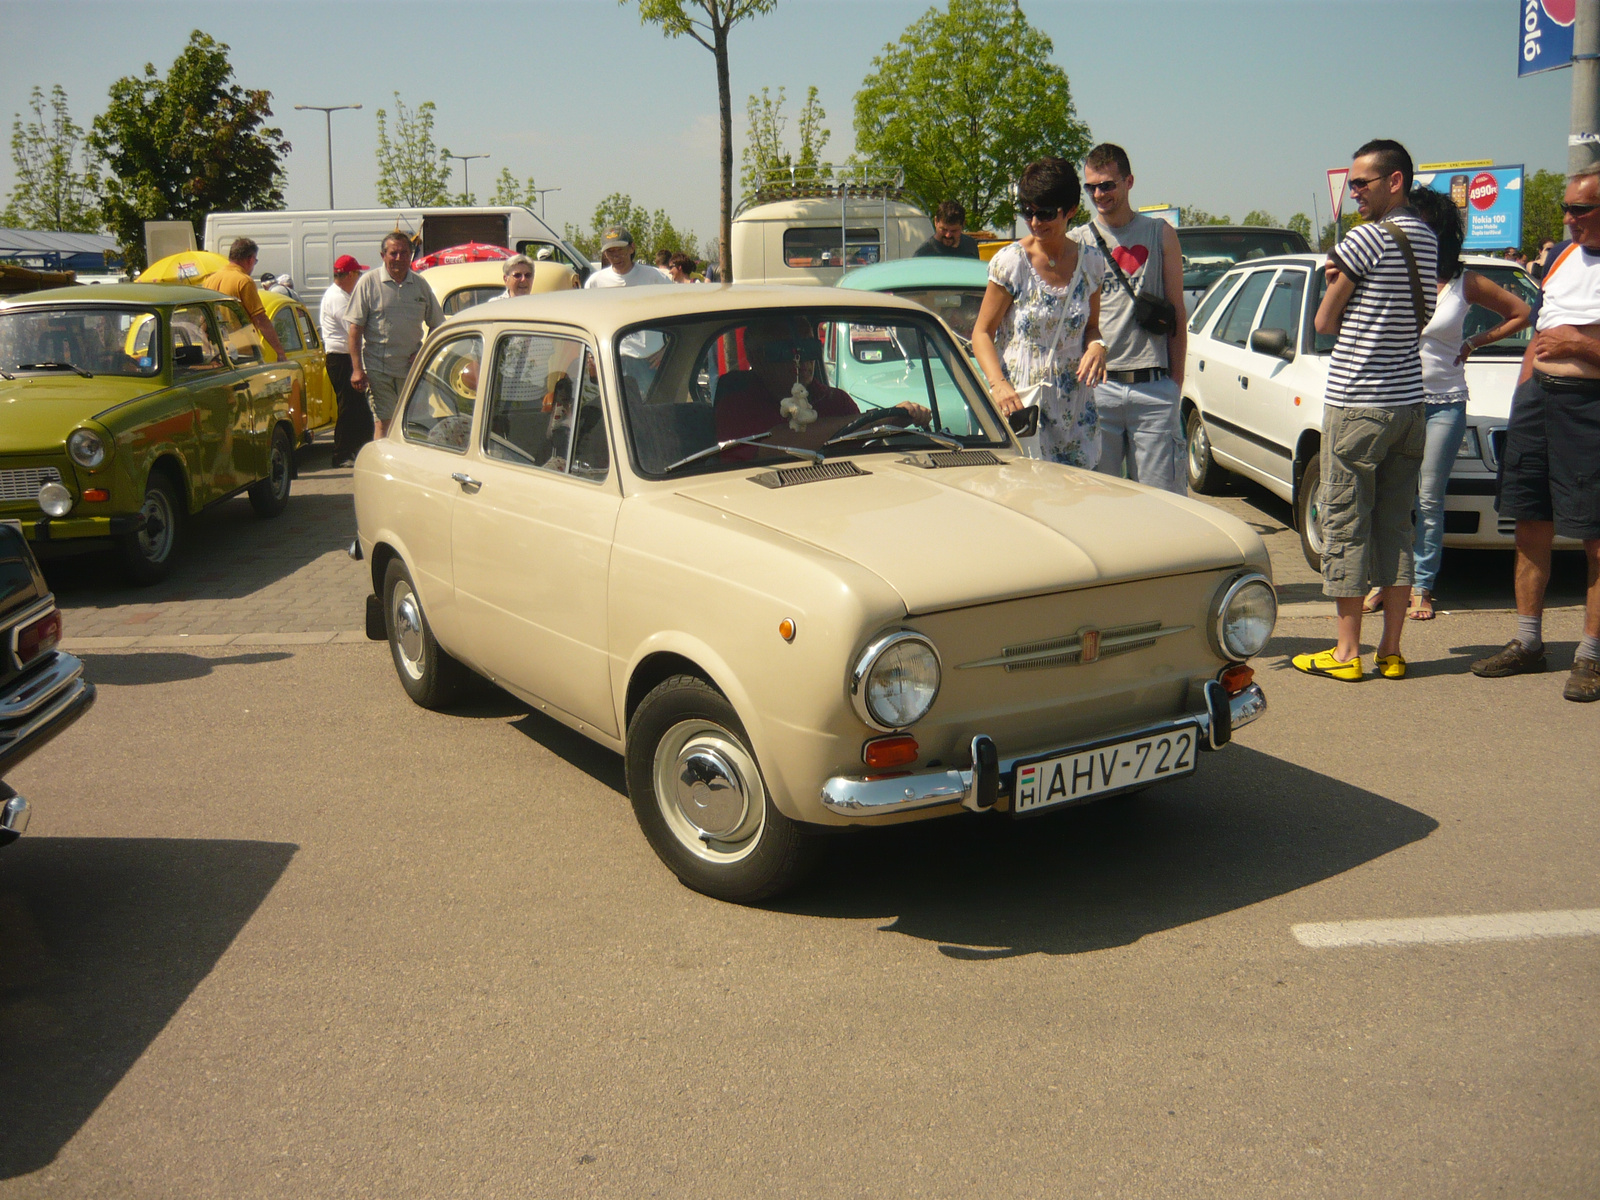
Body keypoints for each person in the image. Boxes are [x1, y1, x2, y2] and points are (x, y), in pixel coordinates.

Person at [1292, 138, 1438, 683]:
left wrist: (1336, 287)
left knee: (1346, 524)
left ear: (1395, 181)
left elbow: (1325, 324)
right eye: (1352, 184)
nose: (1354, 192)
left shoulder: (1365, 238)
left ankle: (1346, 653)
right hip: (1408, 404)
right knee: (1397, 526)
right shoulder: (1425, 237)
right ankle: (1392, 651)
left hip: (1359, 402)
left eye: (1363, 183)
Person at [1470, 167, 1600, 702]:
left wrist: (1580, 348)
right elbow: (1541, 330)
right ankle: (1528, 643)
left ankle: (1590, 656)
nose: (1569, 219)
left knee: (1596, 536)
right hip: (1538, 404)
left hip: (1590, 410)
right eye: (1567, 208)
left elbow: (1567, 340)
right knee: (1529, 522)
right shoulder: (1564, 257)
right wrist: (1525, 391)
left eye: (1581, 210)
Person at [1400, 187, 1532, 619]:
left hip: (1444, 403)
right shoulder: (1394, 275)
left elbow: (1520, 312)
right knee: (1393, 498)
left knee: (1428, 497)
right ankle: (1390, 584)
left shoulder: (1464, 281)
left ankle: (1422, 588)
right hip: (1396, 400)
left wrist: (1477, 341)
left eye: (1419, 225)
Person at [971, 158, 1108, 467]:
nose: (1034, 222)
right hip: (1022, 408)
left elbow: (1093, 328)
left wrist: (1098, 347)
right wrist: (998, 384)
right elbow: (981, 333)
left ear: (1070, 210)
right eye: (1028, 212)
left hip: (1074, 414)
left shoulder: (1091, 264)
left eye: (1045, 213)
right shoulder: (1012, 263)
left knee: (1074, 506)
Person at [1069, 143, 1187, 493]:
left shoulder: (1159, 233)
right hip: (1098, 390)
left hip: (1152, 388)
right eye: (1091, 187)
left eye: (1107, 184)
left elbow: (1177, 312)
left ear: (1129, 182)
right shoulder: (1079, 241)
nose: (1098, 194)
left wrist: (1174, 385)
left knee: (1159, 503)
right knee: (1100, 500)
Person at [712, 317, 930, 444]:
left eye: (809, 347)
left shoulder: (836, 401)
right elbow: (778, 442)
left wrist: (897, 420)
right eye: (790, 350)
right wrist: (876, 420)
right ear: (757, 357)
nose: (804, 359)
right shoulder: (737, 403)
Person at [345, 232, 445, 439]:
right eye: (394, 253)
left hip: (412, 369)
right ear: (383, 255)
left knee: (414, 424)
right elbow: (355, 330)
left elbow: (438, 326)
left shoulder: (420, 285)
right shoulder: (368, 283)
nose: (399, 258)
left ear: (411, 255)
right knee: (385, 422)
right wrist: (357, 370)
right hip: (379, 369)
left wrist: (424, 354)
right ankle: (382, 468)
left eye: (404, 253)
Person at [321, 254, 372, 467]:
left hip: (344, 356)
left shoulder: (340, 294)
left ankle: (357, 449)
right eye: (358, 274)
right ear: (350, 275)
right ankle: (341, 453)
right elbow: (352, 328)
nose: (360, 278)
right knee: (348, 406)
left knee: (357, 406)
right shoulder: (338, 297)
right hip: (341, 357)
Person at [200, 237, 287, 361]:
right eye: (255, 261)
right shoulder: (244, 281)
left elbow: (203, 322)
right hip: (243, 353)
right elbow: (260, 320)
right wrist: (280, 352)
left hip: (217, 354)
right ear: (250, 259)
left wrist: (208, 351)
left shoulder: (209, 281)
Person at [584, 227, 671, 288]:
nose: (616, 256)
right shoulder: (595, 282)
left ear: (632, 248)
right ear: (605, 255)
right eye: (610, 251)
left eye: (620, 250)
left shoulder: (655, 277)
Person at [914, 201, 980, 259]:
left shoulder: (970, 245)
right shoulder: (923, 254)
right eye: (944, 229)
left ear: (963, 224)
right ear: (936, 221)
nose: (948, 235)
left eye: (954, 231)